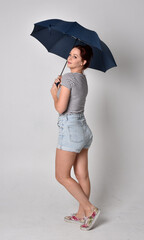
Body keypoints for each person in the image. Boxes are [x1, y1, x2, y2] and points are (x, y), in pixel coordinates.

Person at [50, 45, 100, 231]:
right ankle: (81, 214)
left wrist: (54, 93)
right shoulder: (82, 79)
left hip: (71, 130)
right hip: (84, 130)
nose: (69, 58)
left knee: (61, 176)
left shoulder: (69, 78)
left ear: (83, 62)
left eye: (75, 56)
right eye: (70, 55)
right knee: (82, 175)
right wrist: (62, 86)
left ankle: (90, 209)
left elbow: (61, 108)